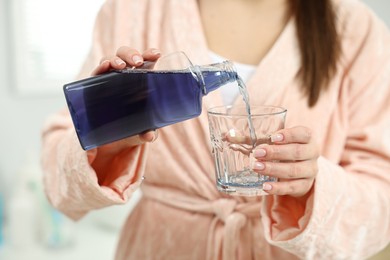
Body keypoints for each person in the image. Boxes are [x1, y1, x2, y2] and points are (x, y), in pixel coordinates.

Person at [41, 0, 390, 259]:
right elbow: (58, 180)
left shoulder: (355, 30)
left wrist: (313, 187)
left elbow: (382, 194)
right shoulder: (136, 9)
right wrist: (109, 132)